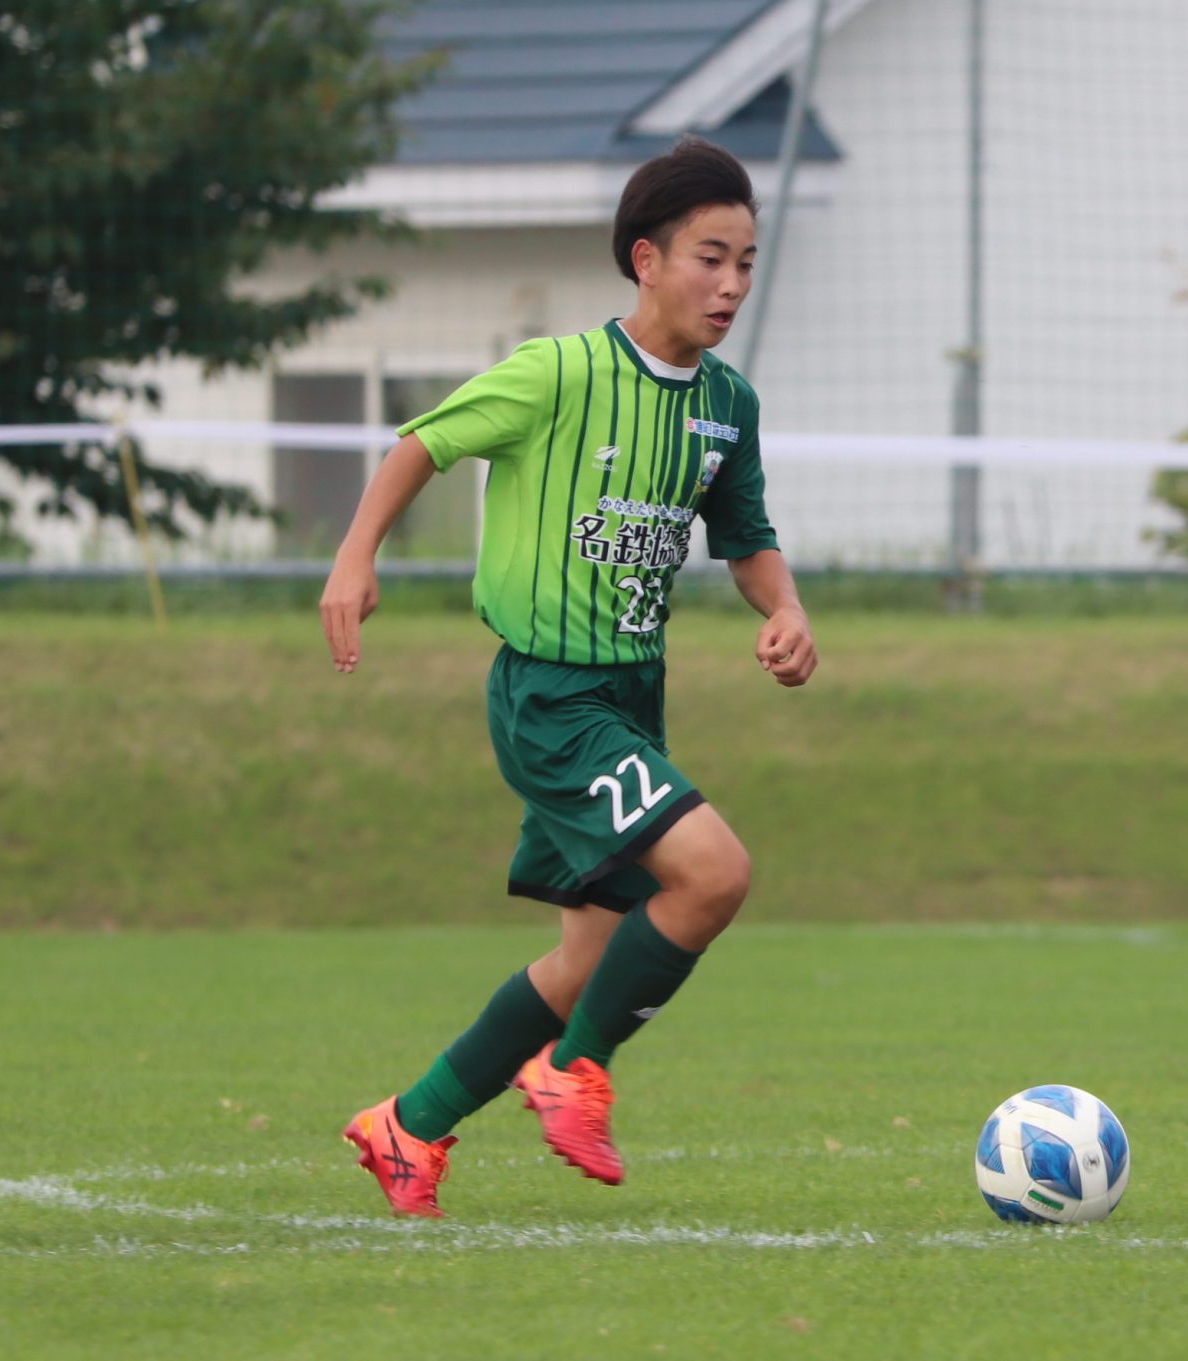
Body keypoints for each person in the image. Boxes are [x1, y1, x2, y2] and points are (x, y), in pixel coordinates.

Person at [321, 138, 816, 1216]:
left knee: (584, 963)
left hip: (632, 699)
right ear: (646, 259)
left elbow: (746, 537)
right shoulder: (557, 372)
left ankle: (408, 1124)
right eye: (710, 258)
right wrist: (356, 556)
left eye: (745, 261)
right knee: (714, 875)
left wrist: (784, 608)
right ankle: (573, 1068)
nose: (731, 283)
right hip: (551, 697)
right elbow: (422, 443)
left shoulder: (727, 404)